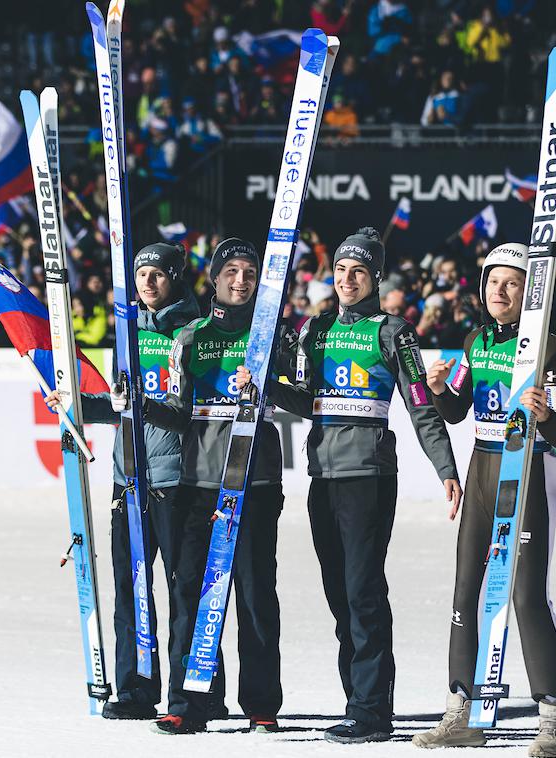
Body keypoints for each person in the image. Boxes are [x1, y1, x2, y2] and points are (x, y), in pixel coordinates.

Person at [243, 227, 462, 744]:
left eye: (358, 271)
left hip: (369, 476)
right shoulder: (315, 330)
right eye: (341, 270)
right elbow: (304, 400)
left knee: (363, 592)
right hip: (324, 476)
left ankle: (371, 710)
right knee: (339, 595)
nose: (347, 279)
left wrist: (446, 469)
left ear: (375, 278)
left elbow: (421, 407)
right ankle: (359, 700)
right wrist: (266, 386)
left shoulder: (393, 332)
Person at [414, 242, 556, 757]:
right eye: (492, 282)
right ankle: (460, 711)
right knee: (467, 594)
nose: (499, 291)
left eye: (511, 283)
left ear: (531, 292)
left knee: (526, 598)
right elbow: (459, 410)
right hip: (483, 469)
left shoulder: (553, 348)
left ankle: (552, 721)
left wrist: (547, 414)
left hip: (528, 471)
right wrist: (439, 390)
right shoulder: (475, 339)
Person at [47, 243, 220, 721]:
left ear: (175, 279)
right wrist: (77, 404)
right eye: (141, 274)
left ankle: (198, 694)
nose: (148, 283)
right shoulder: (126, 333)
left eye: (157, 275)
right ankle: (136, 690)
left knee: (186, 592)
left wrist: (144, 404)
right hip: (129, 481)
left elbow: (188, 414)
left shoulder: (194, 330)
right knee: (132, 589)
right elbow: (119, 404)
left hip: (178, 481)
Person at [142, 238, 284, 735]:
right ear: (214, 279)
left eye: (249, 272)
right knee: (191, 594)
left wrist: (266, 386)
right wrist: (139, 404)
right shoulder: (190, 338)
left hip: (256, 481)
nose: (240, 280)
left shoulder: (272, 337)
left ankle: (262, 705)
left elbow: (299, 397)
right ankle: (189, 702)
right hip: (200, 484)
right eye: (231, 271)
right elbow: (179, 413)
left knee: (254, 594)